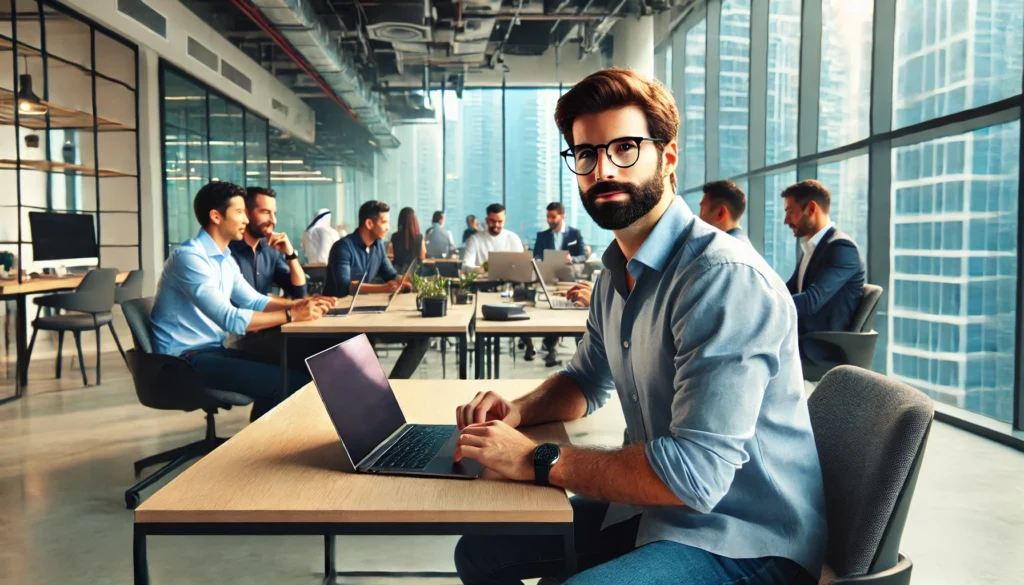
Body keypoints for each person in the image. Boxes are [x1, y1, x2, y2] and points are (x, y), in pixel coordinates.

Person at [451, 68, 825, 585]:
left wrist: (538, 459)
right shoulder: (615, 274)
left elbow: (694, 474)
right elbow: (584, 382)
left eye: (624, 148)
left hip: (748, 540)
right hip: (657, 512)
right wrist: (517, 412)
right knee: (481, 551)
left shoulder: (722, 280)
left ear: (668, 158)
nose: (603, 169)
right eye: (586, 154)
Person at [150, 181, 329, 422]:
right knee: (290, 382)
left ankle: (264, 445)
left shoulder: (224, 258)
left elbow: (254, 300)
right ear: (216, 216)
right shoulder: (190, 258)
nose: (246, 219)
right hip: (182, 362)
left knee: (296, 371)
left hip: (211, 351)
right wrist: (292, 315)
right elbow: (230, 318)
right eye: (239, 212)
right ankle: (261, 451)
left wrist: (302, 304)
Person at [227, 186, 336, 365]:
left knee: (339, 342)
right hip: (241, 337)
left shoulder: (269, 250)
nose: (273, 220)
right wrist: (294, 308)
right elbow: (242, 308)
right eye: (265, 212)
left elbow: (298, 290)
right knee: (321, 350)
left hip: (271, 328)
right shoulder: (228, 254)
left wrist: (291, 254)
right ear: (245, 213)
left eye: (274, 213)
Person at [324, 200, 428, 379]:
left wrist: (405, 281)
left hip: (365, 315)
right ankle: (379, 391)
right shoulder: (343, 247)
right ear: (369, 223)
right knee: (366, 349)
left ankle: (395, 384)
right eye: (384, 222)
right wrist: (384, 288)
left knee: (423, 337)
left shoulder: (378, 246)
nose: (388, 227)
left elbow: (389, 274)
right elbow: (345, 285)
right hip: (340, 318)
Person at [781, 179, 866, 368]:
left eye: (790, 212)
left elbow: (811, 301)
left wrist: (764, 309)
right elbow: (787, 291)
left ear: (811, 208)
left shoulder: (842, 248)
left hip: (821, 348)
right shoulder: (813, 248)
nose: (786, 220)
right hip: (802, 338)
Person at [527, 202, 588, 366]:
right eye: (548, 216)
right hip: (549, 280)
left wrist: (572, 259)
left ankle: (579, 354)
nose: (550, 220)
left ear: (562, 216)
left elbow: (583, 256)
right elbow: (537, 255)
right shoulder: (542, 236)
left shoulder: (575, 234)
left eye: (553, 216)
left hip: (569, 281)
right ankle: (550, 349)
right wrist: (539, 261)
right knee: (551, 313)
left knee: (572, 314)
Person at [462, 203, 525, 272]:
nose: (496, 225)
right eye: (493, 221)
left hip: (509, 281)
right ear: (487, 220)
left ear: (504, 220)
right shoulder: (475, 239)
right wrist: (479, 270)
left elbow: (520, 265)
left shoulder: (513, 238)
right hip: (483, 281)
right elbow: (465, 265)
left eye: (500, 221)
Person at [698, 180, 750, 244]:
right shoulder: (746, 247)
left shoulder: (716, 250)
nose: (699, 218)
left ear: (720, 213)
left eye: (702, 209)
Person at [390, 207, 427, 274]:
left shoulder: (394, 236)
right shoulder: (419, 237)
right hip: (415, 274)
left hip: (397, 274)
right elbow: (422, 256)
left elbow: (390, 256)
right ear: (414, 219)